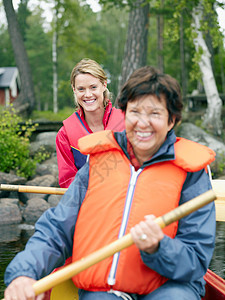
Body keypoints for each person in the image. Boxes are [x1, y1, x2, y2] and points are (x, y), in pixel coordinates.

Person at [4, 66, 216, 300]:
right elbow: (57, 228)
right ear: (124, 114)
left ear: (171, 120)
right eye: (135, 112)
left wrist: (160, 247)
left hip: (170, 286)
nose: (142, 123)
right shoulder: (100, 162)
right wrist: (25, 272)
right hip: (107, 288)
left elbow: (196, 259)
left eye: (154, 114)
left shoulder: (191, 173)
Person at [56, 58, 125, 188]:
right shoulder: (64, 135)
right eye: (81, 89)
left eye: (93, 87)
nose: (88, 94)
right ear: (74, 89)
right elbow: (68, 182)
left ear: (104, 85)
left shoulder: (127, 122)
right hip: (88, 202)